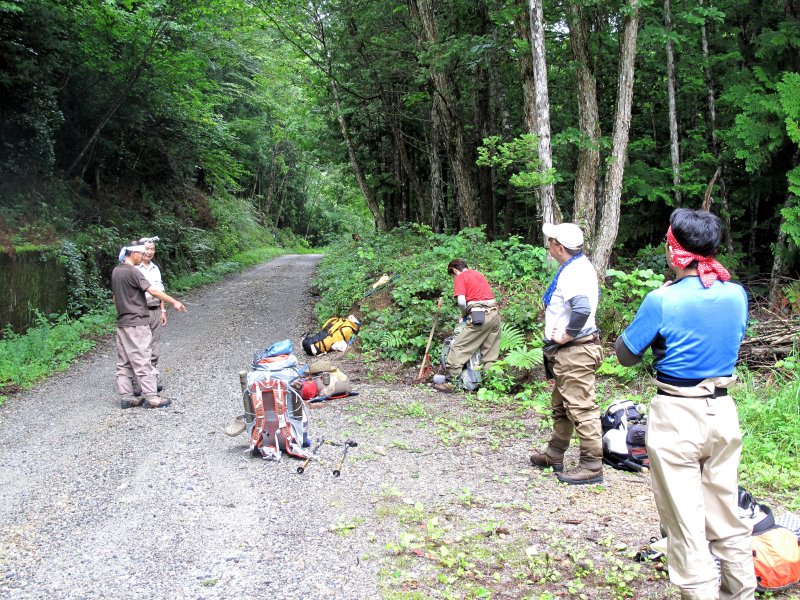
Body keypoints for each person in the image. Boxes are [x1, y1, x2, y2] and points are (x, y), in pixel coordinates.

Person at [615, 208, 755, 599]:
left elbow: (625, 355)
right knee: (727, 510)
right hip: (723, 412)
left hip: (677, 412)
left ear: (674, 248)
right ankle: (740, 591)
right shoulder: (735, 293)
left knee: (684, 520)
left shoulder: (661, 299)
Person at [530, 222, 603, 485]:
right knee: (561, 407)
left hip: (575, 351)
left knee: (581, 408)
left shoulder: (574, 273)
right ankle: (554, 454)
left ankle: (592, 465)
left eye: (550, 242)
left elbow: (581, 309)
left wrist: (567, 334)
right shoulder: (576, 267)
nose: (548, 246)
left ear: (559, 247)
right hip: (568, 352)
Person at [112, 242, 186, 409]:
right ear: (134, 254)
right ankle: (152, 397)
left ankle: (127, 397)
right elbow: (153, 291)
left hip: (122, 322)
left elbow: (115, 297)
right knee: (143, 358)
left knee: (124, 361)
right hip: (136, 322)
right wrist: (174, 301)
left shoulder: (117, 271)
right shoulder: (133, 271)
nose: (143, 256)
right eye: (141, 253)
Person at [434, 259, 501, 392]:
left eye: (453, 274)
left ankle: (451, 383)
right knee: (490, 353)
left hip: (479, 316)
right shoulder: (478, 274)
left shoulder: (461, 277)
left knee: (459, 347)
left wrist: (464, 315)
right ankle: (493, 384)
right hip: (495, 315)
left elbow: (461, 301)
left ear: (454, 270)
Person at [135, 236, 166, 393]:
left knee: (154, 346)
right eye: (147, 249)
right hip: (139, 310)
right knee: (141, 346)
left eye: (152, 249)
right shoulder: (134, 268)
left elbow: (160, 291)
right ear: (140, 250)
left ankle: (150, 378)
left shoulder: (155, 268)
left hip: (155, 309)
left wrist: (163, 309)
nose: (149, 252)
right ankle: (139, 382)